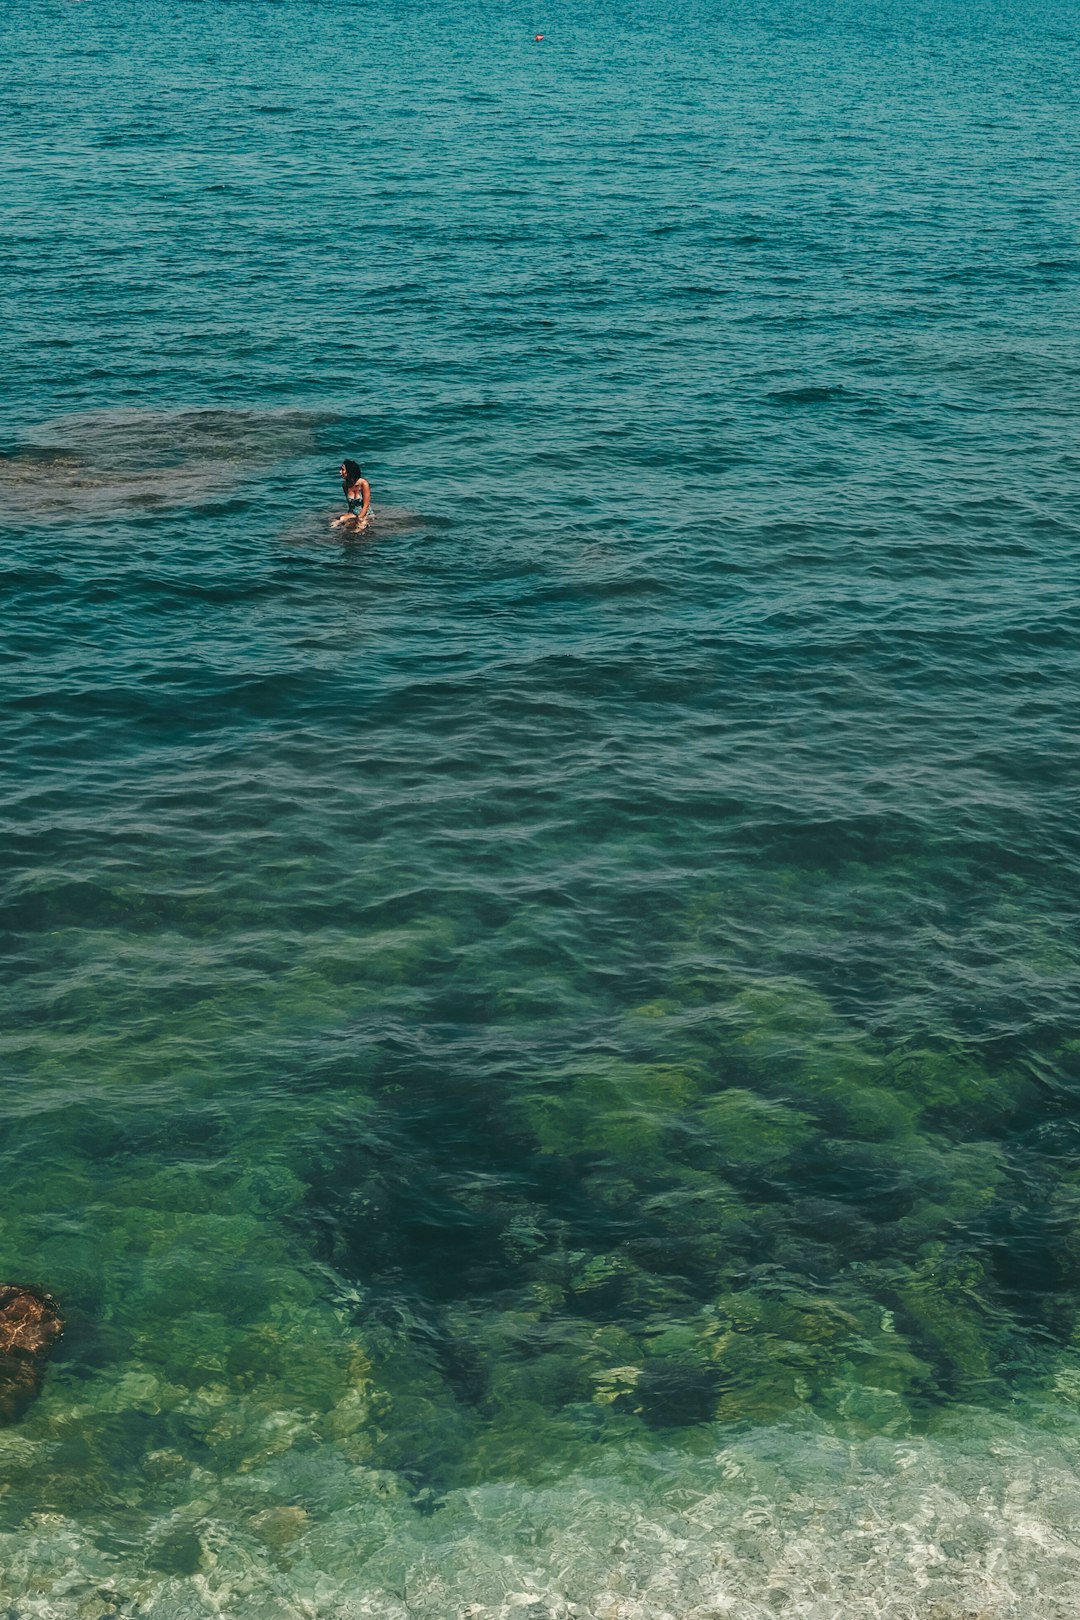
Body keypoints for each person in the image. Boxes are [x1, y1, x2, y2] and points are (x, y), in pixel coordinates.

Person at [336, 459, 371, 528]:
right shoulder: (345, 485)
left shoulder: (363, 483)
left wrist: (359, 518)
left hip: (365, 514)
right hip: (353, 513)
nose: (340, 472)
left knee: (358, 529)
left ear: (349, 471)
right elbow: (351, 506)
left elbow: (366, 505)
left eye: (342, 470)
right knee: (336, 523)